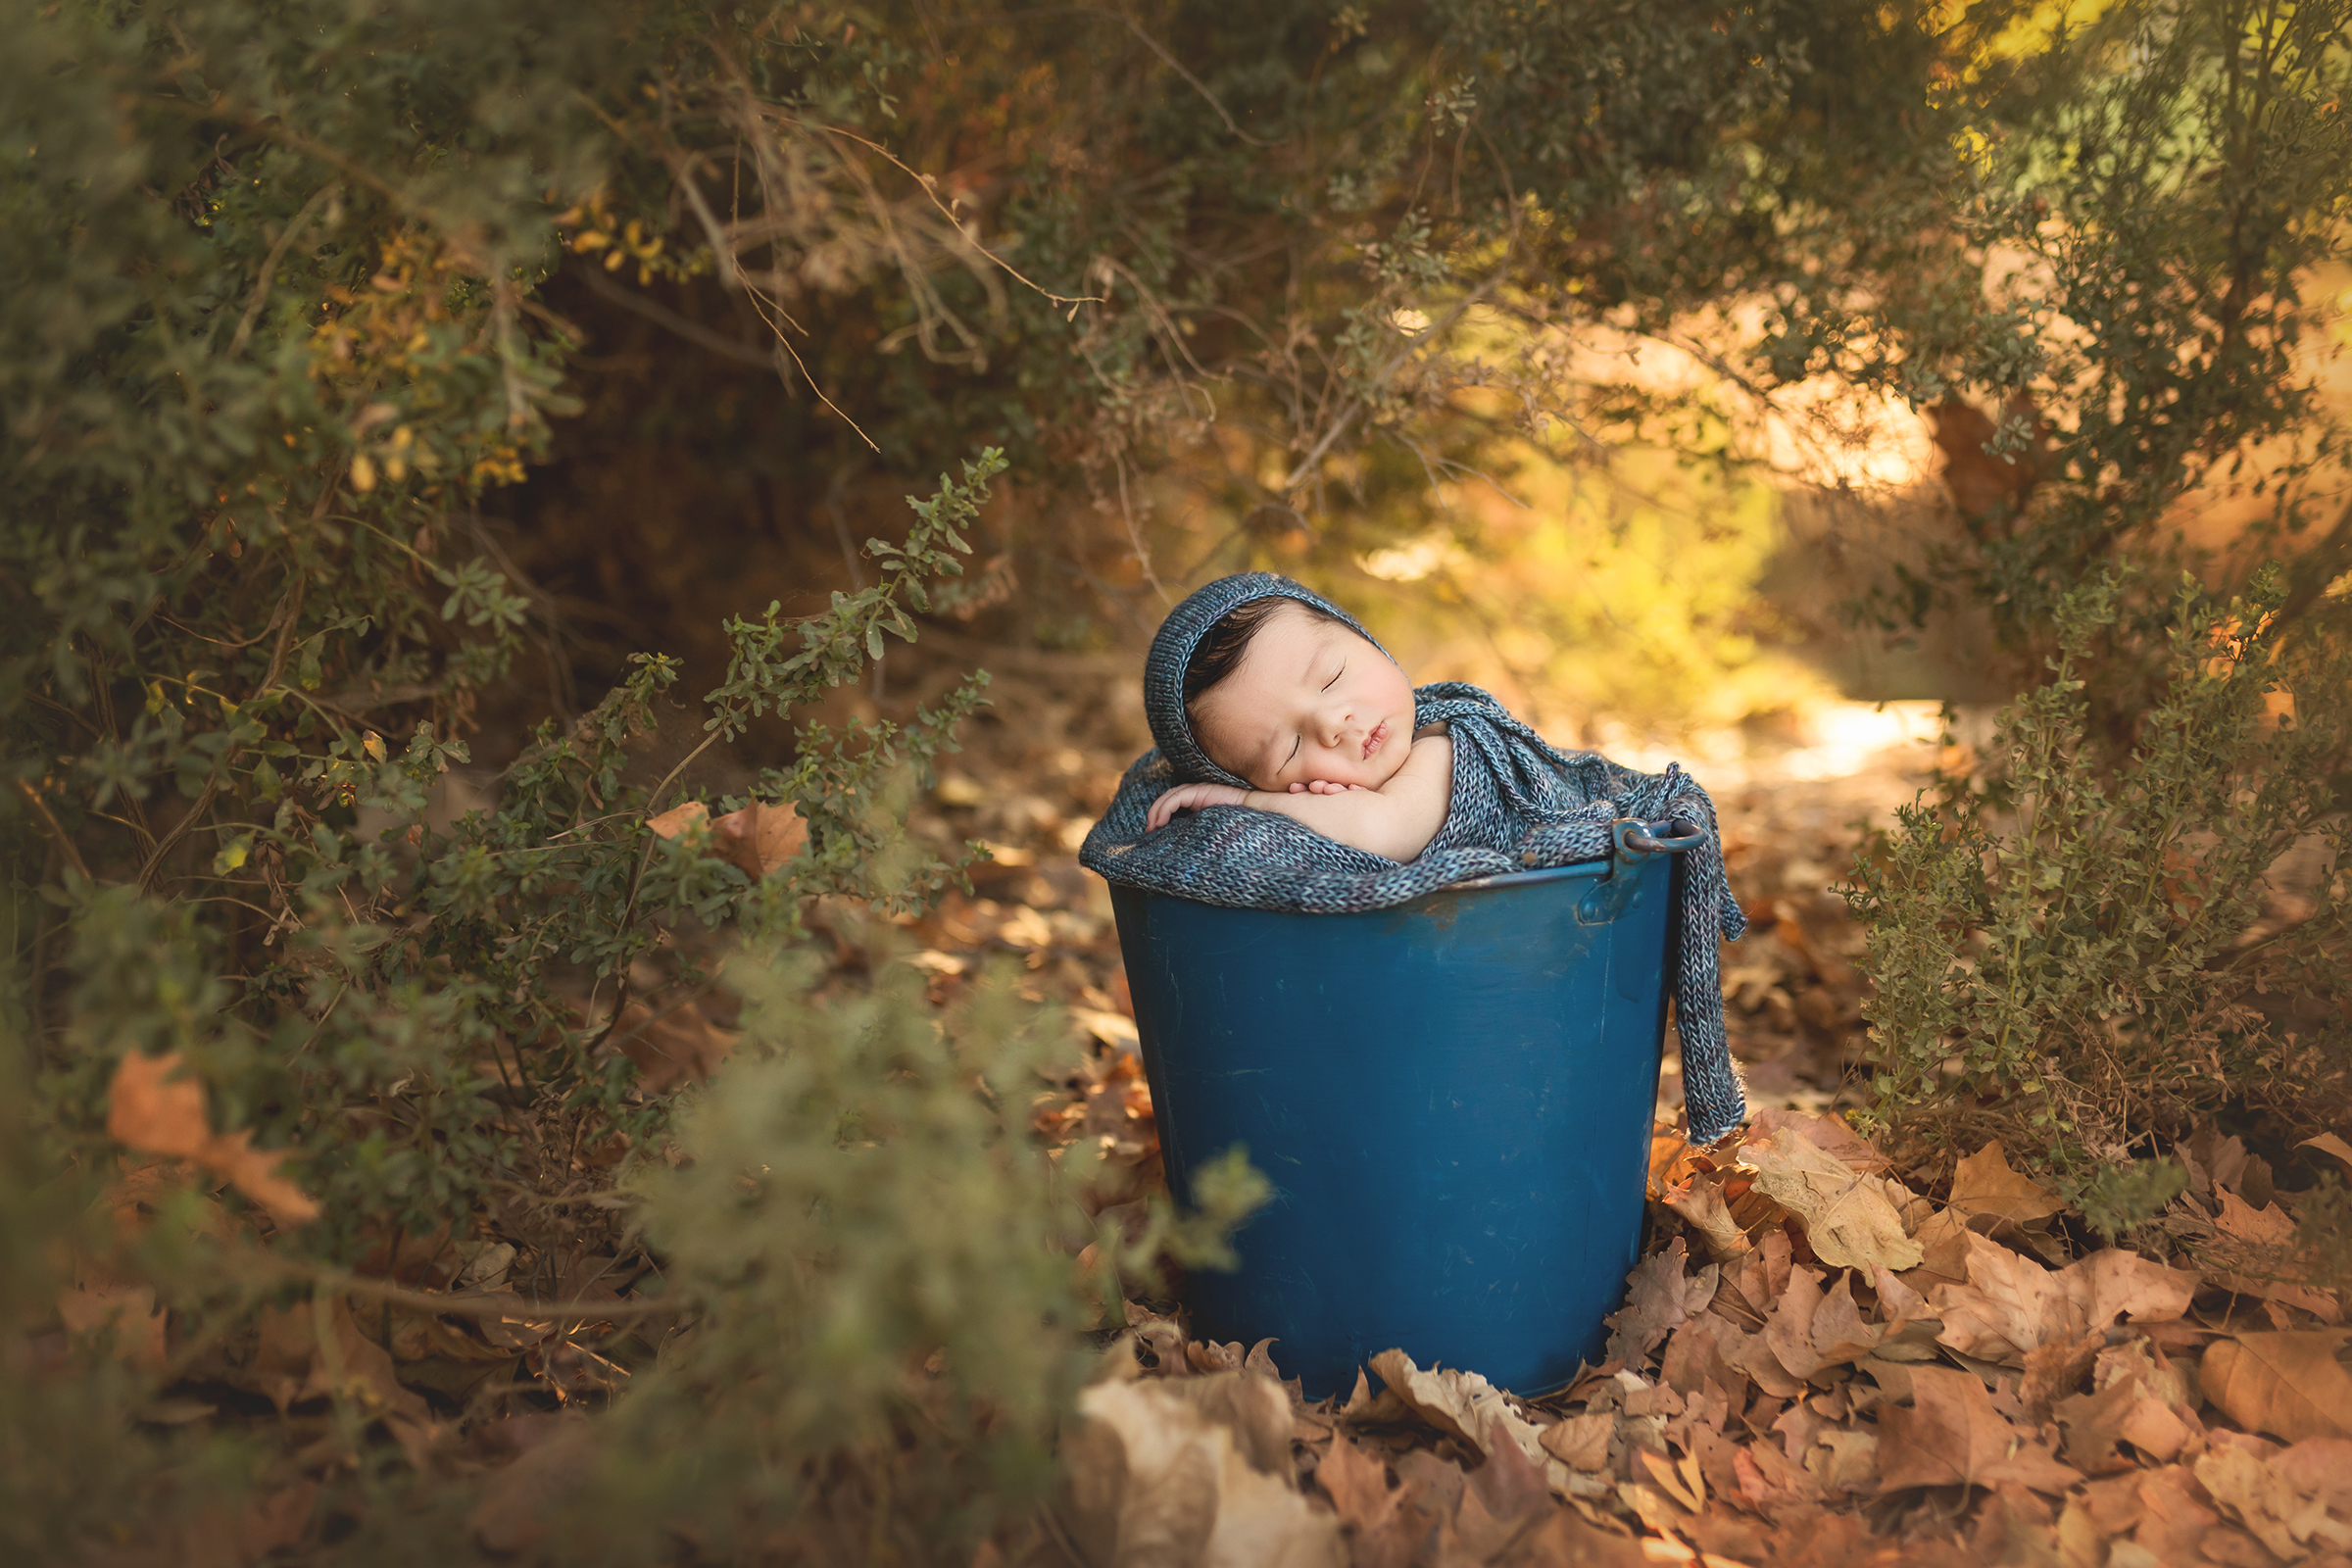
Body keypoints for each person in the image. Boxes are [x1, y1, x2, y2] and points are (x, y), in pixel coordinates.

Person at [1142, 596, 1453, 861]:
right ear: (1255, 782)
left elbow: (1383, 829)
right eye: (1291, 749)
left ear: (1365, 638)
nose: (1331, 723)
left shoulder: (1445, 746)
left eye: (1332, 677)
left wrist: (1248, 803)